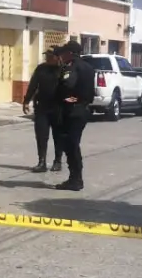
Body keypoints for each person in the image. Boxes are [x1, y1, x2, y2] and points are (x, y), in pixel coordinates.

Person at [55, 40, 96, 191]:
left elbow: (68, 85)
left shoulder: (72, 66)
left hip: (72, 110)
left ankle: (75, 179)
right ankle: (75, 178)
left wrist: (64, 98)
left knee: (71, 145)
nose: (62, 55)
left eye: (64, 53)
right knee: (72, 144)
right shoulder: (88, 67)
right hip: (83, 109)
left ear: (70, 54)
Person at [23, 47, 64, 173]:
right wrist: (26, 101)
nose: (47, 58)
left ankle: (58, 161)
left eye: (50, 55)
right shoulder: (41, 68)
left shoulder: (63, 70)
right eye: (46, 55)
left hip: (58, 108)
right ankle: (42, 162)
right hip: (42, 107)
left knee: (58, 136)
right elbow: (33, 85)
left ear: (57, 56)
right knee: (41, 135)